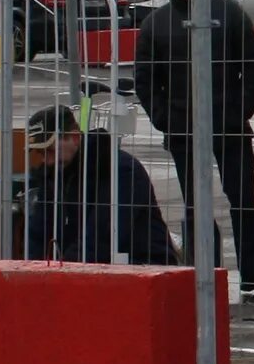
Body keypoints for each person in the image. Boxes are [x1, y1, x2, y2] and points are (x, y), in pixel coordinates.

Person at [129, 0, 254, 298]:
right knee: (196, 203)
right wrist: (165, 119)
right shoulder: (156, 24)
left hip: (230, 126)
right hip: (183, 131)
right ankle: (202, 271)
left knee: (243, 198)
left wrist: (241, 109)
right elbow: (146, 80)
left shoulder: (228, 14)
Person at [20, 99, 178, 265]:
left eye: (50, 151)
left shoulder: (120, 170)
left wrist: (63, 272)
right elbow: (38, 232)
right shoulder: (54, 174)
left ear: (74, 138)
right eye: (41, 153)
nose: (47, 160)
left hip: (142, 263)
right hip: (85, 267)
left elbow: (101, 237)